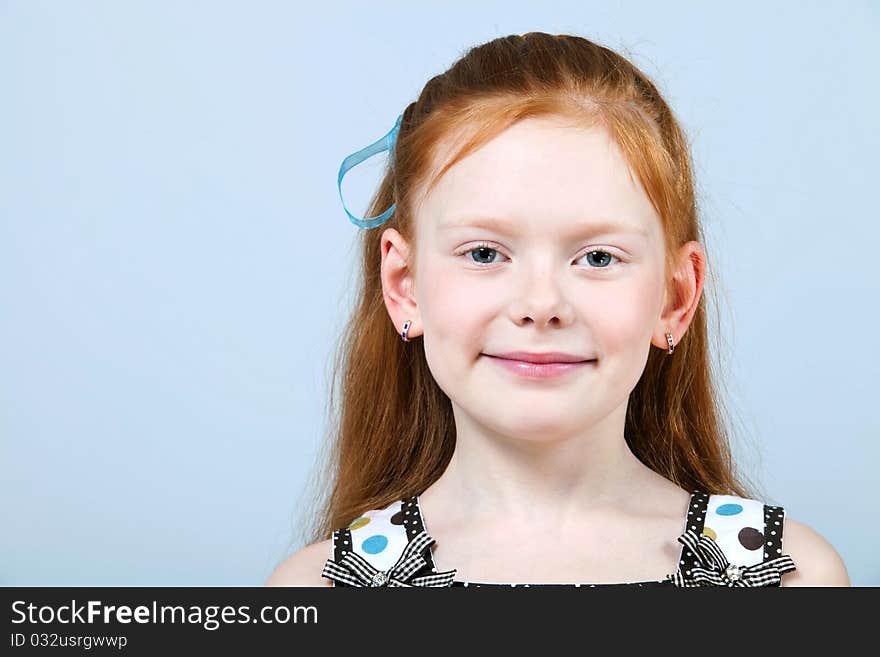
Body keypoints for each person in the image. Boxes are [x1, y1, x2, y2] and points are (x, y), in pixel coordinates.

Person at [266, 32, 849, 588]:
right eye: (485, 252)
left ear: (675, 298)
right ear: (404, 287)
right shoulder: (320, 589)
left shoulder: (789, 578)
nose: (541, 305)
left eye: (598, 257)